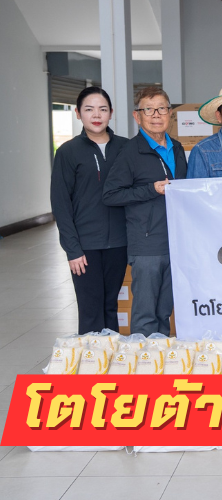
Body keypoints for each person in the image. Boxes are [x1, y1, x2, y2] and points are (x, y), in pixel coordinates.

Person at [103, 87, 188, 336]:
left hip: (176, 242)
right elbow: (111, 195)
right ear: (137, 116)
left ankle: (159, 357)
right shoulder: (130, 152)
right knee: (145, 314)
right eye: (148, 109)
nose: (156, 115)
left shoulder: (177, 148)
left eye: (161, 108)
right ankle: (143, 359)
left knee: (164, 311)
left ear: (170, 113)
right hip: (147, 244)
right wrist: (151, 189)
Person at [50, 87, 129, 334]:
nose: (96, 115)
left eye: (102, 109)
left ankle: (112, 355)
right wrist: (72, 249)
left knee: (110, 306)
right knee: (90, 309)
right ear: (78, 113)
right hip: (85, 247)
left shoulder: (126, 148)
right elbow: (61, 203)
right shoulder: (68, 152)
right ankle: (91, 357)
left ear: (111, 113)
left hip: (119, 243)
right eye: (89, 109)